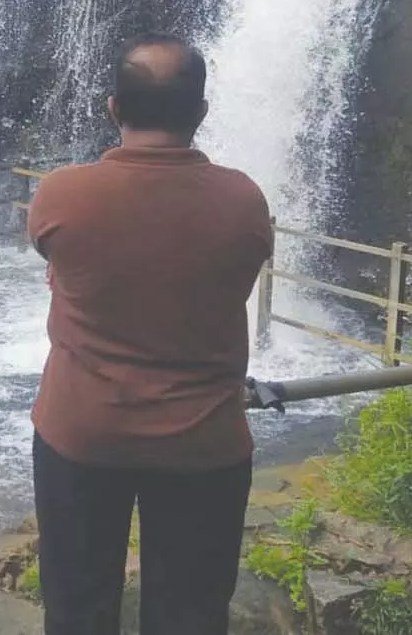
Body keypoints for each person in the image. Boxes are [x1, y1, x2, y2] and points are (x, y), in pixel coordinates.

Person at [26, 38, 272, 635]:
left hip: (81, 433)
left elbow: (61, 263)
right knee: (190, 615)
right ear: (201, 112)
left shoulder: (64, 193)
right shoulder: (244, 200)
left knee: (78, 609)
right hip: (204, 441)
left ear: (114, 108)